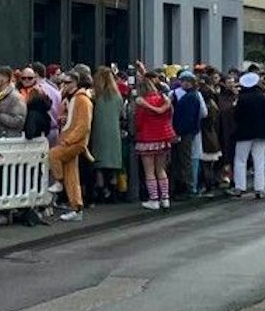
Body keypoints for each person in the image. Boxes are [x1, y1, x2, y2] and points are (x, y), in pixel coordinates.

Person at [50, 70, 93, 221]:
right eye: (63, 82)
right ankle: (76, 207)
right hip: (71, 140)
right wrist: (64, 118)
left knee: (53, 154)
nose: (65, 85)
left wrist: (69, 140)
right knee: (72, 176)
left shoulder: (82, 100)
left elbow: (84, 125)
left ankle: (59, 182)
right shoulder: (72, 98)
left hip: (74, 142)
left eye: (68, 82)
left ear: (77, 83)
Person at [133, 73, 177, 210]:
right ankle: (165, 198)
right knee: (161, 169)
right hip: (163, 137)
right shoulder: (162, 99)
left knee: (149, 171)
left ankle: (154, 199)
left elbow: (138, 123)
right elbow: (169, 115)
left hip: (147, 138)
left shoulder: (142, 102)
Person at [230, 71, 265, 199]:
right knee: (259, 160)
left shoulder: (242, 99)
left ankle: (240, 187)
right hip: (261, 132)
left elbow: (236, 116)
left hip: (244, 132)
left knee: (240, 160)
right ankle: (259, 188)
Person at [89, 65, 126, 203]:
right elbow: (122, 115)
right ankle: (113, 193)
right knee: (114, 165)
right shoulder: (117, 96)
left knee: (99, 165)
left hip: (98, 133)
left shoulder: (95, 95)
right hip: (114, 133)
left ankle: (100, 192)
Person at [170, 72, 207, 196]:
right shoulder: (193, 95)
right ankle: (185, 186)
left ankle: (188, 187)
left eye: (188, 81)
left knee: (185, 159)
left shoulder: (190, 96)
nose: (185, 83)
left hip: (185, 132)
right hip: (186, 131)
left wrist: (179, 132)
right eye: (183, 80)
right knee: (183, 159)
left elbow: (188, 117)